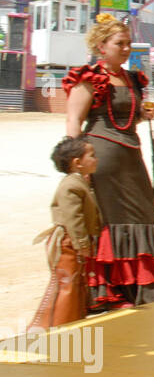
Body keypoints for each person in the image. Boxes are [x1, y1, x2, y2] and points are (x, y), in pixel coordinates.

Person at [63, 15, 154, 309]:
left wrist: (143, 115)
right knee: (110, 222)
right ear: (102, 46)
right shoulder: (88, 77)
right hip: (101, 162)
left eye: (127, 43)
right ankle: (114, 291)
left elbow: (126, 117)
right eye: (119, 43)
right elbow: (74, 119)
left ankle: (147, 283)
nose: (125, 49)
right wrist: (76, 163)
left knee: (144, 216)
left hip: (131, 159)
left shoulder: (131, 78)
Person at [30, 136, 102, 330]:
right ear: (77, 163)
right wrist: (82, 244)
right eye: (92, 156)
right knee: (66, 283)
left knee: (76, 282)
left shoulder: (79, 182)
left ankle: (71, 321)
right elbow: (73, 218)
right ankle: (56, 324)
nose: (96, 159)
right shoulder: (71, 185)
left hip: (73, 241)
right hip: (67, 242)